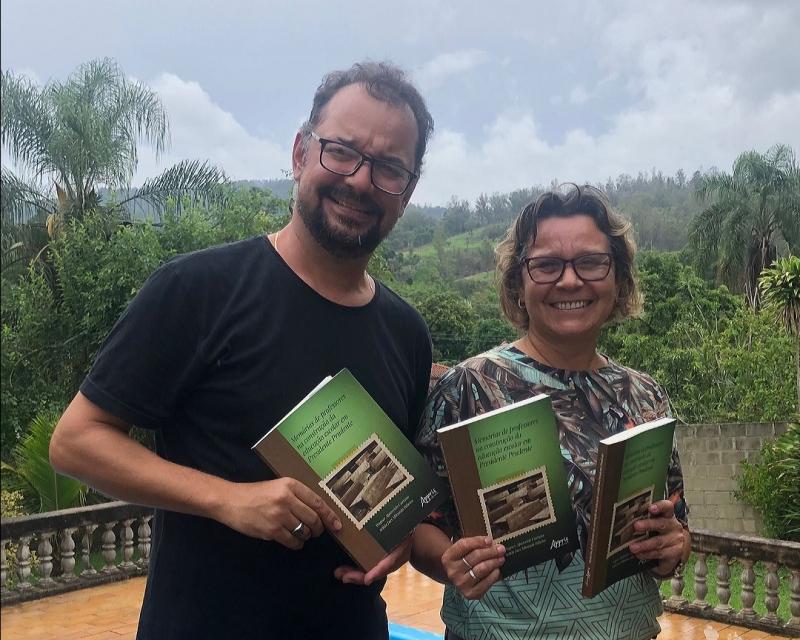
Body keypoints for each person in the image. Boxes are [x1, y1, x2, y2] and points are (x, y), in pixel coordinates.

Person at [49, 62, 434, 640]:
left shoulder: (407, 332)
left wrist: (400, 534)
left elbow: (387, 489)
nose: (359, 180)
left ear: (406, 192)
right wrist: (228, 499)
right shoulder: (199, 290)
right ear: (301, 153)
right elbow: (77, 441)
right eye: (342, 152)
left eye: (388, 169)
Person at [410, 185, 690, 639]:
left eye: (591, 262)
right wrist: (451, 565)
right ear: (518, 283)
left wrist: (674, 545)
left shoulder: (644, 395)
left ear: (617, 277)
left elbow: (676, 526)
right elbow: (421, 525)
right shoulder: (469, 386)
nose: (570, 281)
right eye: (546, 265)